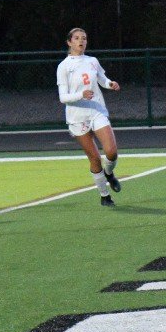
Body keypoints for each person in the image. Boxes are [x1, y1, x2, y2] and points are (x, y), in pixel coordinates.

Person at [56, 28, 122, 207]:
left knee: (111, 152)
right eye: (77, 38)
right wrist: (81, 95)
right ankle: (104, 195)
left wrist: (110, 83)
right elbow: (63, 97)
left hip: (97, 111)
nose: (81, 41)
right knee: (94, 159)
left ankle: (109, 173)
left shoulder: (92, 61)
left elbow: (102, 79)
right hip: (77, 117)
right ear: (69, 42)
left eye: (84, 38)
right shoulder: (64, 66)